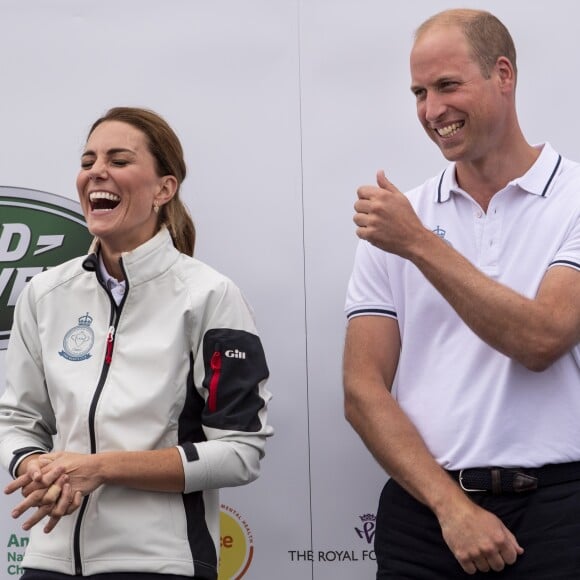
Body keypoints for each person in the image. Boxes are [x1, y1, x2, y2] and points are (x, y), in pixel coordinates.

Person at [344, 8, 580, 579]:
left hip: (560, 510)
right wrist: (452, 509)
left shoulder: (573, 198)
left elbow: (541, 338)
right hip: (425, 515)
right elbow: (361, 389)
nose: (431, 111)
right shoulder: (399, 219)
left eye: (448, 85)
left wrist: (419, 244)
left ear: (504, 74)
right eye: (420, 92)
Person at [0, 106, 272, 580]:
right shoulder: (46, 294)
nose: (96, 172)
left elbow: (239, 452)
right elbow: (18, 420)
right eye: (88, 162)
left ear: (164, 189)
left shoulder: (209, 295)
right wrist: (40, 466)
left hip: (158, 561)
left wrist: (103, 468)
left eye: (119, 160)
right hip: (49, 559)